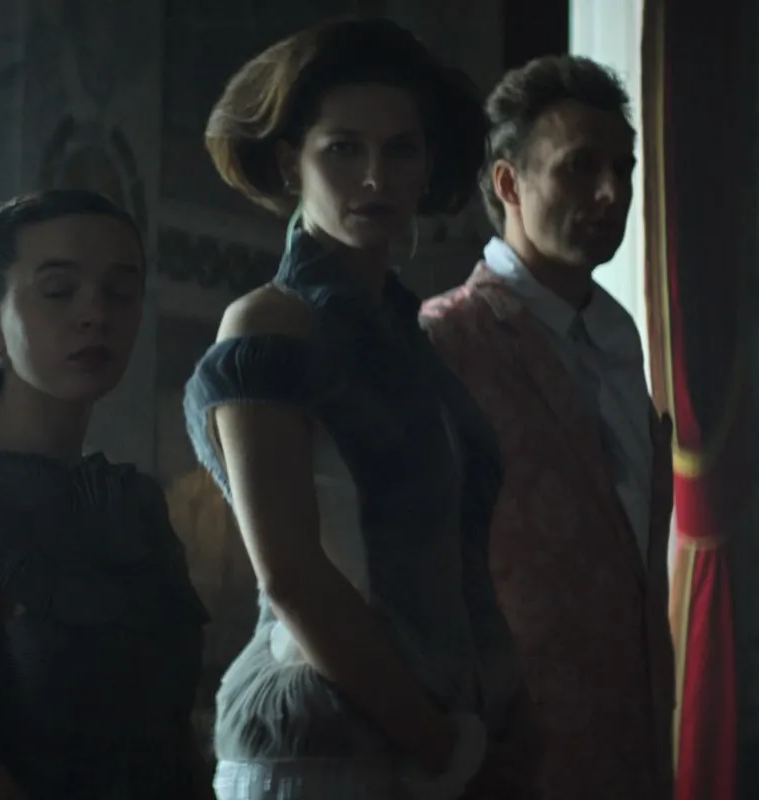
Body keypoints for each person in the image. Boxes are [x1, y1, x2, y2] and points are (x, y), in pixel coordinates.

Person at [185, 18, 544, 799]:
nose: (376, 177)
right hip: (321, 752)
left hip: (449, 740)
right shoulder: (269, 323)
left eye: (400, 150)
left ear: (427, 168)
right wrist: (450, 751)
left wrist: (497, 715)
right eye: (343, 149)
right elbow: (291, 577)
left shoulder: (417, 346)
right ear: (292, 163)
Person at [0, 189, 213, 799]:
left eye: (120, 292)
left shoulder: (132, 502)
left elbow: (175, 735)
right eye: (58, 291)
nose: (95, 314)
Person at [419, 55, 675, 800]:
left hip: (631, 733)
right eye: (580, 167)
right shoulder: (447, 336)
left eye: (623, 169)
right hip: (509, 743)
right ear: (509, 184)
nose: (612, 192)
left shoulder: (621, 338)